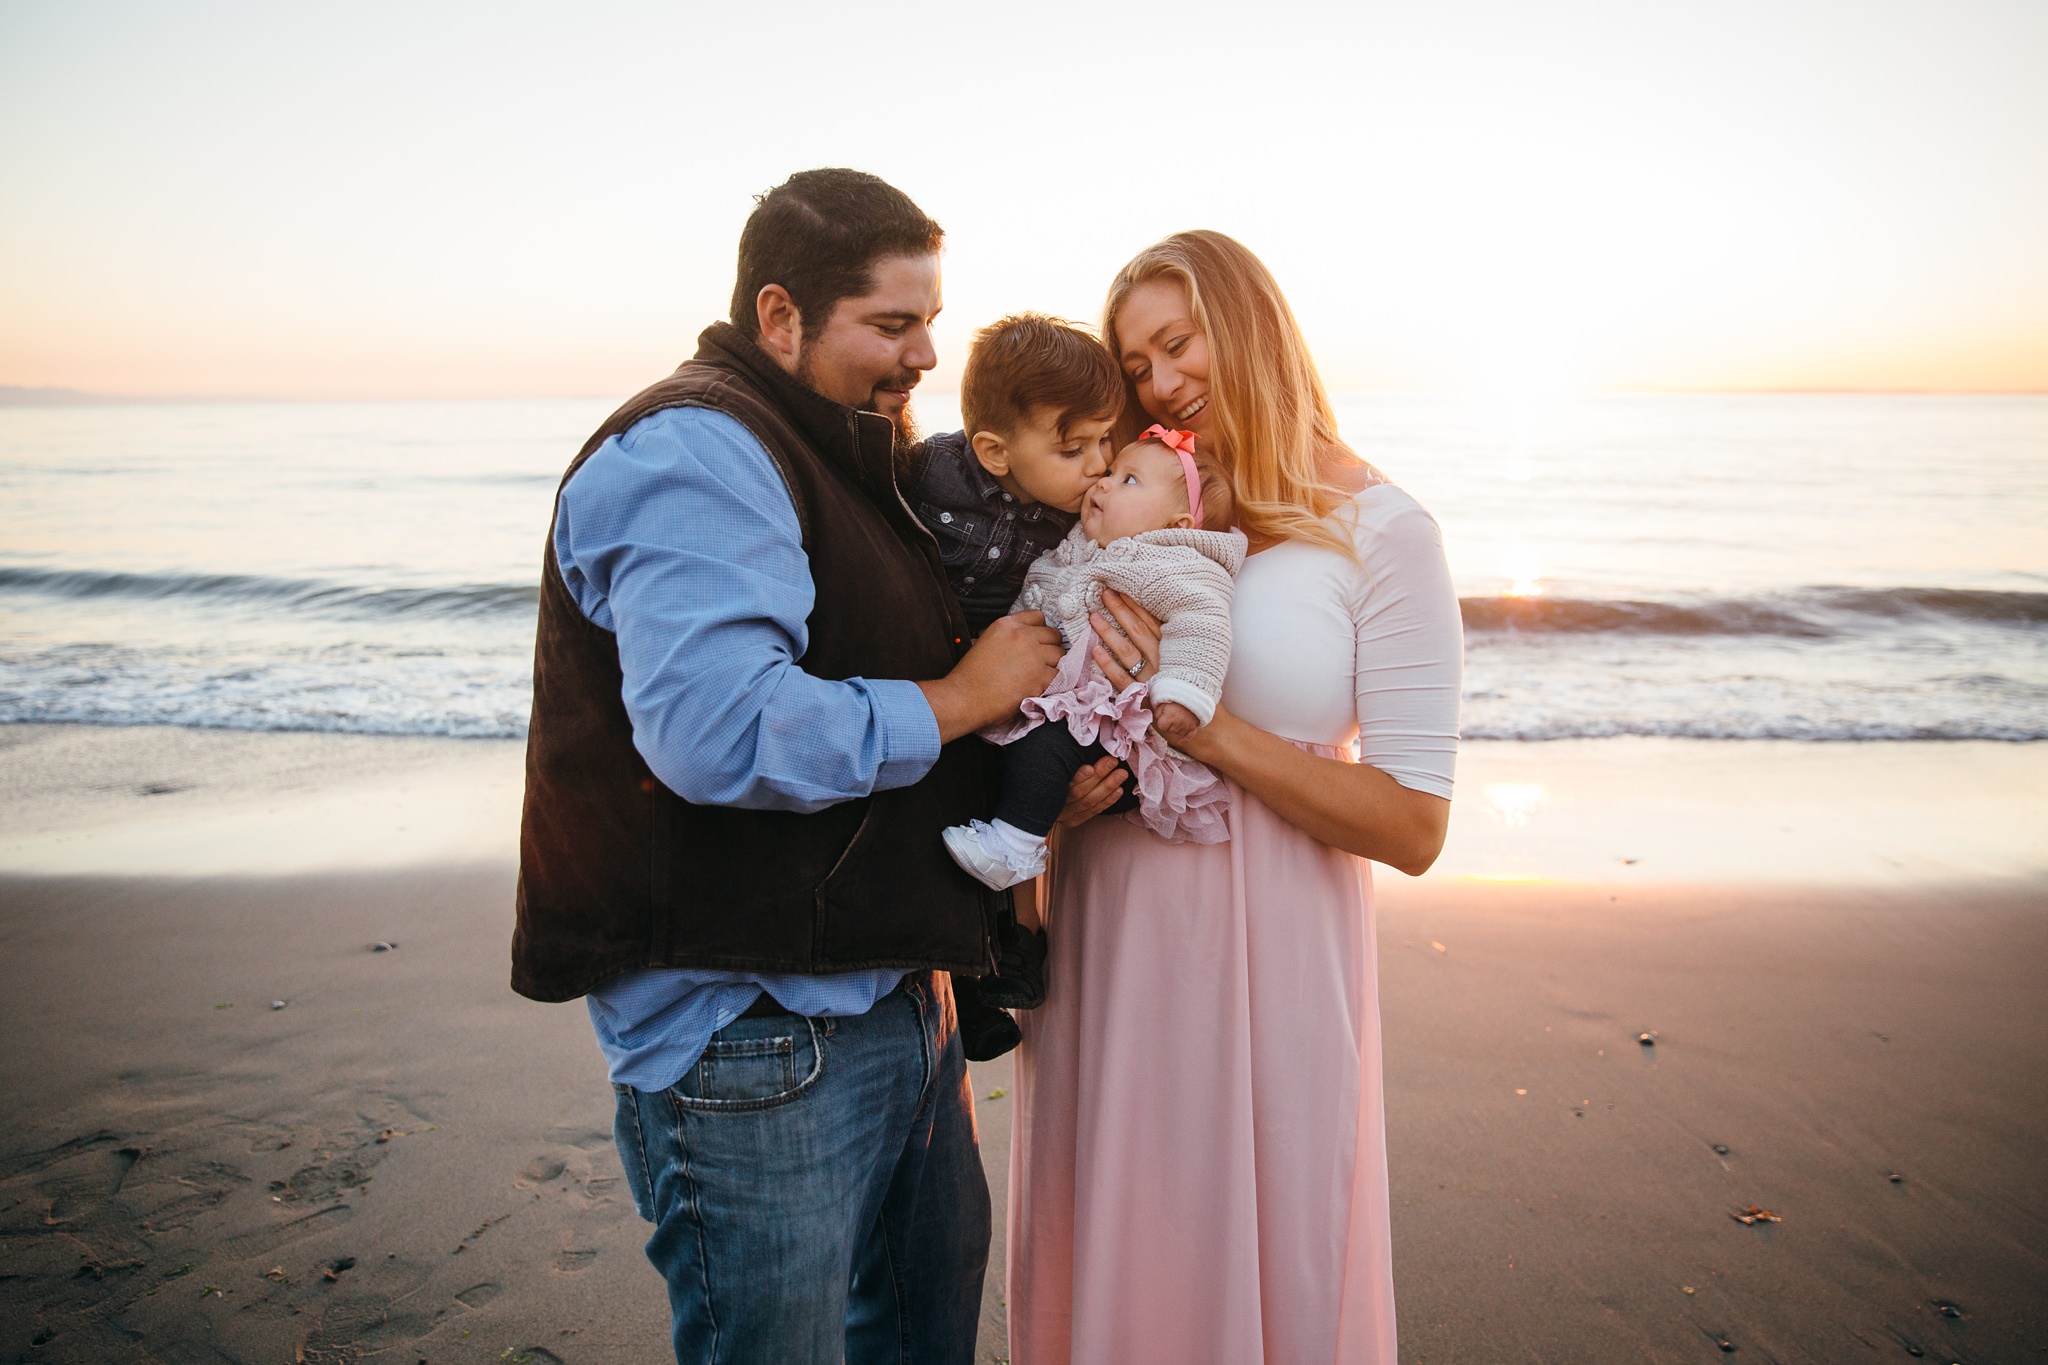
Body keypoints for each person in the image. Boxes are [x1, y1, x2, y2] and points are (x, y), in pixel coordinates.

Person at [511, 168, 1066, 1365]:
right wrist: (966, 696)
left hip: (883, 998)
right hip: (750, 1037)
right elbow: (720, 733)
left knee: (921, 1341)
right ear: (779, 317)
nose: (927, 353)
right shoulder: (694, 455)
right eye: (890, 323)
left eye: (930, 317)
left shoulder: (841, 448)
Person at [1006, 231, 1464, 1364]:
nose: (1160, 385)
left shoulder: (1385, 530)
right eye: (1138, 365)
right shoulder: (1115, 511)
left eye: (1177, 344)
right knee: (1113, 1243)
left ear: (1250, 326)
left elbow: (1412, 824)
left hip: (1273, 957)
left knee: (1273, 1248)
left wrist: (1213, 731)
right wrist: (1055, 798)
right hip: (1107, 932)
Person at [898, 313, 1123, 1059]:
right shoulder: (927, 471)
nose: (1097, 464)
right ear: (993, 450)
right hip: (947, 681)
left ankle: (1018, 951)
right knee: (952, 821)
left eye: (1105, 441)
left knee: (1012, 811)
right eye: (1074, 447)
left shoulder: (1080, 512)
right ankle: (968, 985)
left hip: (1024, 690)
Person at [943, 425, 1244, 891]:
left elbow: (1202, 626)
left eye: (1129, 481)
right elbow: (1035, 602)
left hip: (1124, 733)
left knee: (1044, 752)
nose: (1102, 481)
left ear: (1177, 525)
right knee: (1013, 752)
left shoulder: (1173, 565)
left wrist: (1183, 695)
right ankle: (1005, 830)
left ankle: (1012, 849)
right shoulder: (1075, 550)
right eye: (1112, 471)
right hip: (1070, 709)